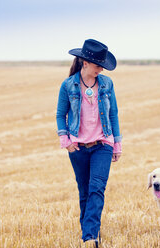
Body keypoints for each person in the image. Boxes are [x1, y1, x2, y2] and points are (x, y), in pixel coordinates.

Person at [56, 39, 122, 247]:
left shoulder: (106, 84)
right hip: (78, 148)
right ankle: (90, 232)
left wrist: (117, 144)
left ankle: (89, 238)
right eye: (97, 65)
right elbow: (60, 115)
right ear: (85, 62)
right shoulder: (68, 85)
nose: (101, 69)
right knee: (84, 191)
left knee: (96, 189)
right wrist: (65, 141)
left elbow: (113, 114)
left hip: (103, 144)